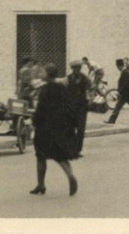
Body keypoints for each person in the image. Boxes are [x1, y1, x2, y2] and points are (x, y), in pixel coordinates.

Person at [30, 64, 79, 196]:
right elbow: (70, 106)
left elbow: (41, 110)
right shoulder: (62, 88)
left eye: (43, 72)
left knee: (40, 155)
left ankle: (41, 184)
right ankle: (70, 175)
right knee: (60, 155)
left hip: (45, 128)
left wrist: (34, 121)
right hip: (61, 126)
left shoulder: (44, 90)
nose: (41, 74)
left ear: (48, 74)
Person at [65, 60, 91, 157]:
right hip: (70, 106)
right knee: (70, 128)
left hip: (82, 106)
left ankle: (77, 150)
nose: (77, 70)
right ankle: (72, 149)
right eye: (76, 68)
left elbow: (91, 88)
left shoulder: (85, 78)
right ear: (72, 69)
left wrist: (91, 97)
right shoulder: (68, 79)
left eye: (79, 68)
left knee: (80, 129)